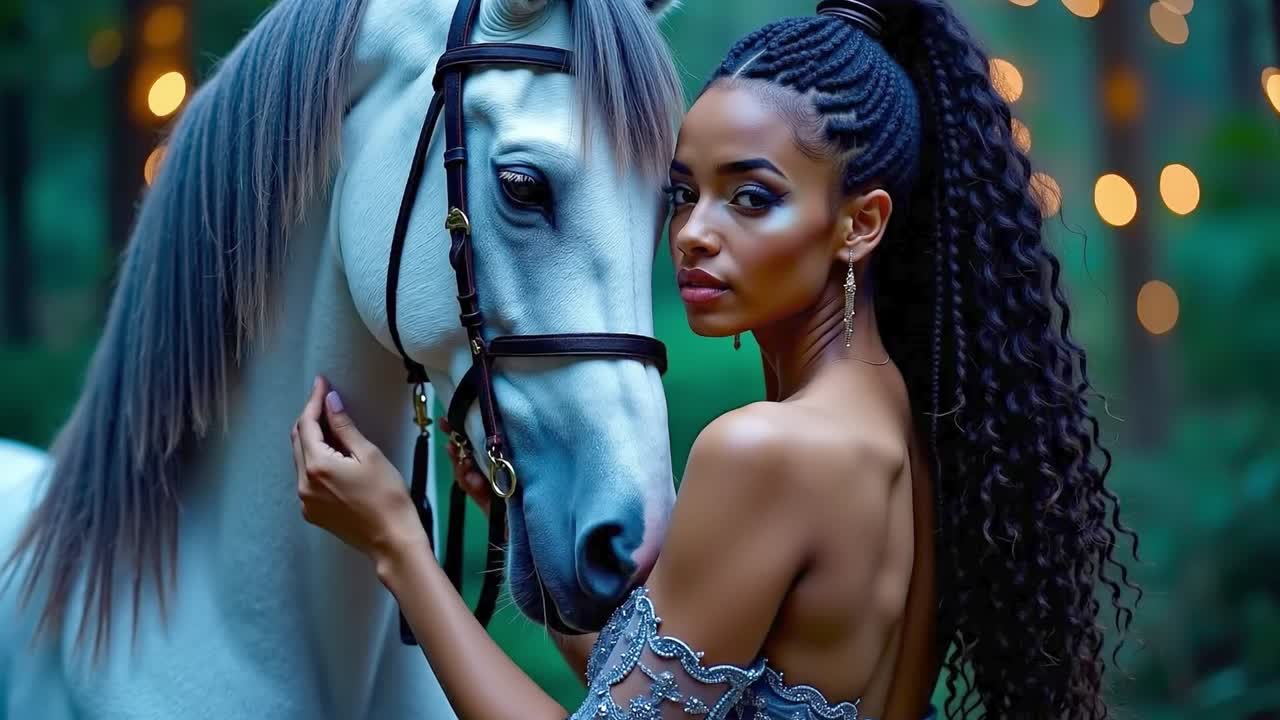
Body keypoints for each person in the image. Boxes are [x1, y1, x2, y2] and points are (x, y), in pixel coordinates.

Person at [290, 0, 1139, 717]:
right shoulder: (902, 433)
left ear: (861, 224)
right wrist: (518, 520)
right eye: (682, 192)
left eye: (752, 197)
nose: (694, 233)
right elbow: (692, 695)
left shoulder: (765, 453)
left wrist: (396, 543)